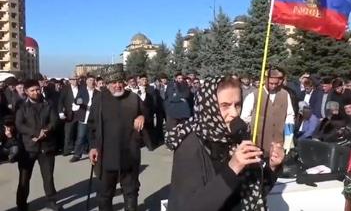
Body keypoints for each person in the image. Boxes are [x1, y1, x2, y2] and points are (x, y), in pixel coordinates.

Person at [166, 76, 285, 211]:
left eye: (237, 105)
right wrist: (232, 168)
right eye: (225, 106)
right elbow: (188, 207)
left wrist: (272, 166)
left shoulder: (237, 137)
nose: (234, 113)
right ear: (208, 106)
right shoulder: (190, 145)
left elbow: (256, 191)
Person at [88, 70, 149, 211]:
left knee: (131, 192)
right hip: (106, 155)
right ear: (107, 84)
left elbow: (147, 114)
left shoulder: (133, 98)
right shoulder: (100, 99)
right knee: (105, 194)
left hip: (129, 154)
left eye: (120, 82)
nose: (117, 85)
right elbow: (91, 125)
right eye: (113, 83)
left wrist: (142, 117)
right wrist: (92, 147)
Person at [15, 79, 61, 211]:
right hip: (28, 147)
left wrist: (46, 130)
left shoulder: (48, 103)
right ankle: (22, 204)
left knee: (48, 176)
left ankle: (51, 201)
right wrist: (36, 132)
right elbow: (19, 124)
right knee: (24, 178)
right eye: (32, 90)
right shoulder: (21, 106)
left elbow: (55, 120)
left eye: (37, 89)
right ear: (26, 92)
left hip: (46, 147)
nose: (36, 92)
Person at [240, 69, 295, 154]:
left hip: (278, 143)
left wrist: (288, 141)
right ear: (265, 80)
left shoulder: (285, 94)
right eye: (271, 83)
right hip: (259, 144)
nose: (273, 86)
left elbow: (290, 116)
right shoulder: (253, 96)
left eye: (276, 84)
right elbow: (245, 118)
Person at [70, 75, 97, 162]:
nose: (91, 82)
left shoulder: (98, 92)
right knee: (80, 137)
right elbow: (76, 100)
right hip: (83, 117)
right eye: (89, 80)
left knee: (92, 137)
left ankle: (93, 153)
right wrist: (79, 101)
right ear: (86, 81)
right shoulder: (82, 90)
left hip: (93, 118)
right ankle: (77, 155)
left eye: (93, 80)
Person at [58, 75, 81, 156]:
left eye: (76, 79)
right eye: (73, 79)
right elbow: (60, 100)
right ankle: (67, 149)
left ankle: (78, 149)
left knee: (79, 132)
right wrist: (60, 112)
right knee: (68, 132)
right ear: (70, 80)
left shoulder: (81, 88)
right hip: (69, 114)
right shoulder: (65, 89)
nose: (75, 81)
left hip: (79, 113)